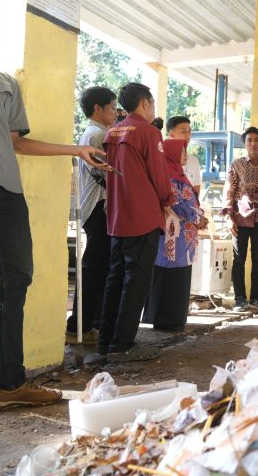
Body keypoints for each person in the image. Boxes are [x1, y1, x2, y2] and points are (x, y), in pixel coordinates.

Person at [0, 8, 109, 411]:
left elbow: (17, 142)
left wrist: (77, 150)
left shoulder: (2, 80)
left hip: (4, 192)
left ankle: (8, 385)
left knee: (14, 278)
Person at [88, 82, 175, 365]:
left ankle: (105, 343)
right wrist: (167, 200)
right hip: (143, 217)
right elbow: (159, 175)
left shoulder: (113, 132)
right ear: (145, 103)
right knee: (135, 283)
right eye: (152, 104)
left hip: (117, 217)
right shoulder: (149, 132)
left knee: (115, 280)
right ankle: (122, 345)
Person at [65, 86, 118, 346]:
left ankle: (88, 324)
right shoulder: (96, 134)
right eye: (113, 108)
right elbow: (104, 172)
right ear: (98, 108)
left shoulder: (96, 132)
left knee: (99, 266)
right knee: (95, 268)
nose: (116, 112)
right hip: (98, 206)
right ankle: (78, 326)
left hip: (98, 206)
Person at [144, 139, 206, 331]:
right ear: (171, 153)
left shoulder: (179, 175)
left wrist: (199, 216)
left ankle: (175, 318)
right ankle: (166, 319)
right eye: (182, 151)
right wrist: (198, 217)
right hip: (172, 237)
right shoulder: (169, 177)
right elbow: (178, 203)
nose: (186, 155)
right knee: (169, 276)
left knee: (178, 277)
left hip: (181, 239)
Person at [222, 127, 258, 313]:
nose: (253, 143)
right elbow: (229, 192)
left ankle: (256, 298)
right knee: (239, 259)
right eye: (249, 140)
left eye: (256, 140)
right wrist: (229, 217)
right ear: (244, 144)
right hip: (239, 219)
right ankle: (240, 299)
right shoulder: (236, 165)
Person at [167, 116, 201, 196]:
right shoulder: (161, 159)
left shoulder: (194, 161)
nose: (188, 135)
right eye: (183, 131)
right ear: (171, 135)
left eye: (189, 131)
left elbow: (196, 187)